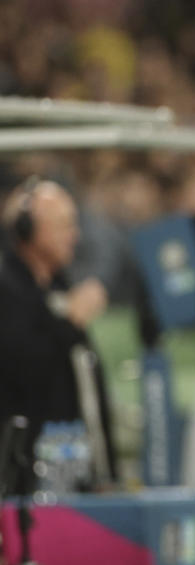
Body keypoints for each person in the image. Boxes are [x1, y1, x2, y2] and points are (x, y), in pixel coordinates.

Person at [0, 178, 114, 484]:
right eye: (64, 225)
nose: (74, 236)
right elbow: (23, 367)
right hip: (21, 468)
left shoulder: (60, 286)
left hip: (68, 459)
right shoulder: (8, 289)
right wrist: (69, 323)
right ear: (30, 231)